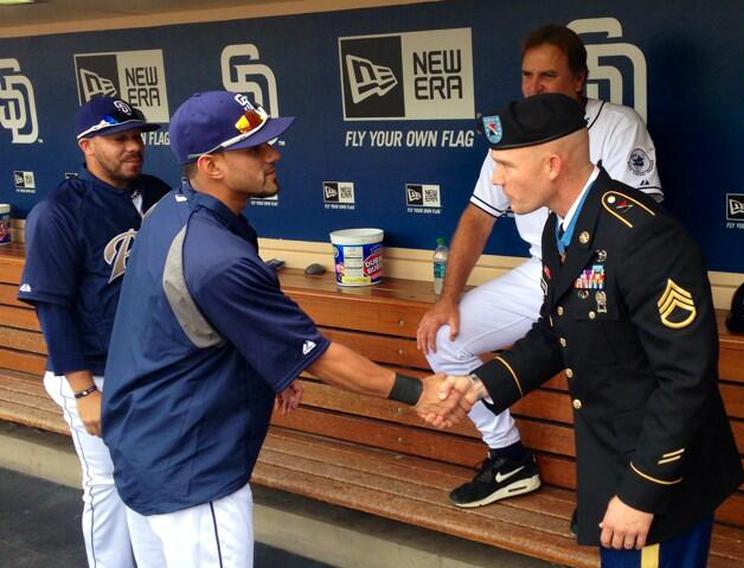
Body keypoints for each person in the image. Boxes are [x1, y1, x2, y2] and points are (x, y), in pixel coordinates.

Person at [100, 91, 471, 568]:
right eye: (254, 148)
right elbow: (320, 356)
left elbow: (203, 322)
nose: (273, 153)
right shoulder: (214, 256)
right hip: (188, 470)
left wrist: (268, 367)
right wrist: (418, 392)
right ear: (211, 165)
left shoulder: (173, 212)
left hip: (143, 445)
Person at [436, 93, 744, 567]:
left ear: (553, 165)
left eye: (505, 166)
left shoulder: (642, 236)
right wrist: (480, 385)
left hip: (658, 482)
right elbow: (552, 333)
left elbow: (686, 379)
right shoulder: (560, 228)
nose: (496, 180)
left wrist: (641, 494)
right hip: (615, 465)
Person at [416, 24, 664, 508]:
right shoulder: (514, 132)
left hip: (606, 275)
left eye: (548, 75)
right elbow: (477, 216)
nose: (534, 87)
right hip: (544, 271)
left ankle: (611, 492)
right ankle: (508, 457)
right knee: (443, 337)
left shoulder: (617, 125)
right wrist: (448, 298)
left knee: (602, 357)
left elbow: (643, 216)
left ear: (579, 80)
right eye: (527, 75)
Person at [17, 96, 170, 567]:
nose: (133, 146)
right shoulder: (59, 212)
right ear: (87, 146)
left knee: (144, 483)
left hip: (148, 368)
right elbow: (52, 307)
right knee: (106, 486)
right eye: (118, 138)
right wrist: (83, 391)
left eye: (137, 135)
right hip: (93, 373)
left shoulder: (160, 194)